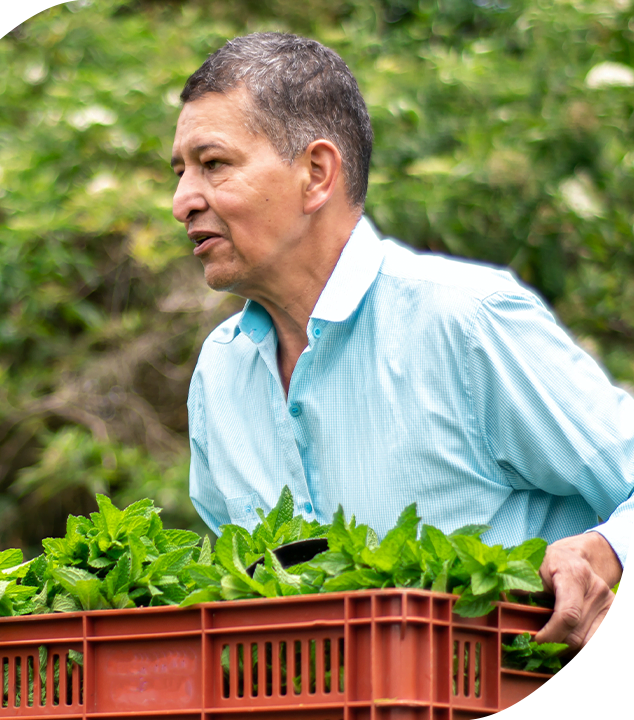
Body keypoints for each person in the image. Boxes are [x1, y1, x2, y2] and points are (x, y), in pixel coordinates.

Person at [169, 32, 633, 649]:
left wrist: (600, 551)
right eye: (179, 173)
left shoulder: (465, 320)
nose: (181, 202)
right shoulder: (220, 373)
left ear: (315, 174)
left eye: (213, 164)